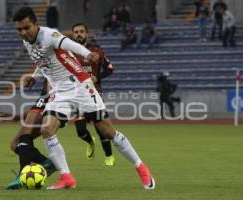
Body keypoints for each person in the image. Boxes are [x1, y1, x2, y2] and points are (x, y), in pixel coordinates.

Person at [13, 6, 155, 190]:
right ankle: (66, 178)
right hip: (60, 92)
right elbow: (44, 62)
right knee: (47, 130)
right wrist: (34, 76)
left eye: (26, 28)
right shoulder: (28, 43)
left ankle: (141, 167)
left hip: (80, 86)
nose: (24, 33)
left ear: (35, 24)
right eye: (19, 30)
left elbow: (69, 44)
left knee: (108, 132)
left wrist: (88, 54)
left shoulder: (49, 35)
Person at [0, 79, 57, 189]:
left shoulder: (54, 70)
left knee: (25, 135)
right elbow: (35, 107)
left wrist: (33, 77)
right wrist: (16, 117)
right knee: (15, 144)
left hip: (53, 101)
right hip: (45, 100)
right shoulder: (47, 79)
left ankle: (22, 176)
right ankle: (47, 163)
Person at [71, 23, 115, 166]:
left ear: (87, 34)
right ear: (73, 35)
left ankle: (109, 156)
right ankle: (90, 142)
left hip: (94, 94)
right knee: (80, 130)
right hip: (76, 95)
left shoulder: (96, 50)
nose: (79, 34)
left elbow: (109, 68)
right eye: (76, 32)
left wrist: (97, 77)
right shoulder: (68, 52)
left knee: (101, 128)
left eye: (81, 31)